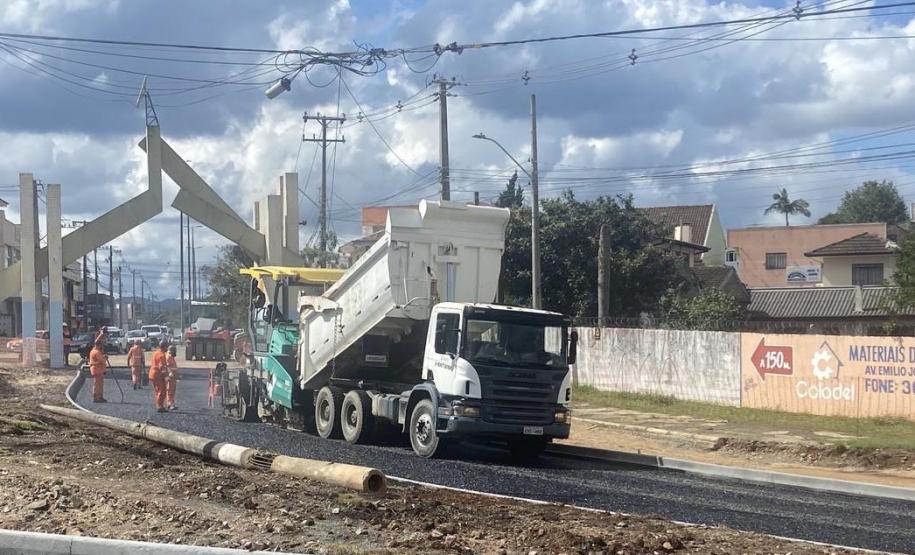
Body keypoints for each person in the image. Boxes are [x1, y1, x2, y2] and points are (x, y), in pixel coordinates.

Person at [149, 341, 169, 413]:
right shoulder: (162, 355)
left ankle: (159, 404)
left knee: (157, 390)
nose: (167, 348)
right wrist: (166, 376)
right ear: (163, 347)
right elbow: (161, 367)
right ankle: (159, 406)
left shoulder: (156, 353)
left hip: (153, 374)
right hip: (158, 375)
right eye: (167, 346)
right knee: (162, 390)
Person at [165, 345, 179, 411]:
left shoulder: (171, 357)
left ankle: (171, 403)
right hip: (171, 377)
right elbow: (168, 367)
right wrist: (170, 373)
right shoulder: (168, 357)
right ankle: (170, 404)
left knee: (172, 391)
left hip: (173, 376)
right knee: (170, 391)